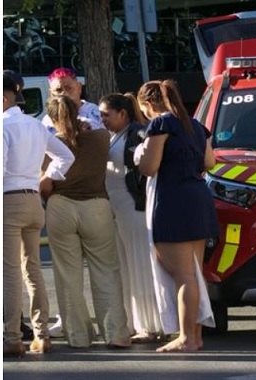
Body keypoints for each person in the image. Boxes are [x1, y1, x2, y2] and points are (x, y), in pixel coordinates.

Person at [135, 79, 218, 352]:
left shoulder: (160, 124)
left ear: (148, 104)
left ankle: (186, 338)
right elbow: (209, 162)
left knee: (182, 274)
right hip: (198, 198)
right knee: (194, 272)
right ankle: (195, 335)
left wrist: (141, 152)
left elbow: (149, 167)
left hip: (171, 200)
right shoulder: (196, 125)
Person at [42, 95, 131, 349]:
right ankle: (116, 333)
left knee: (67, 275)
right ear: (77, 111)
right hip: (96, 205)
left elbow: (44, 184)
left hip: (61, 206)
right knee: (106, 271)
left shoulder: (50, 145)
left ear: (52, 118)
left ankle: (78, 336)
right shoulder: (100, 138)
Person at [3, 70, 75, 356]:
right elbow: (66, 156)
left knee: (10, 272)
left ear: (5, 97)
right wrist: (43, 179)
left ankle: (10, 337)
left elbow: (4, 165)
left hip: (10, 199)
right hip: (34, 200)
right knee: (32, 269)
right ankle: (41, 334)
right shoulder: (36, 126)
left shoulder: (4, 125)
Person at [99, 93, 163, 342]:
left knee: (140, 265)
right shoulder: (116, 135)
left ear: (122, 114)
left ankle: (150, 325)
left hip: (133, 206)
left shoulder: (137, 133)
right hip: (118, 206)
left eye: (107, 114)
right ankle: (135, 322)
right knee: (125, 267)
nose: (102, 119)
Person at [41, 67, 103, 133]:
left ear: (79, 88)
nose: (64, 94)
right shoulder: (47, 122)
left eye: (69, 88)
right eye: (58, 90)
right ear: (51, 94)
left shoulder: (97, 114)